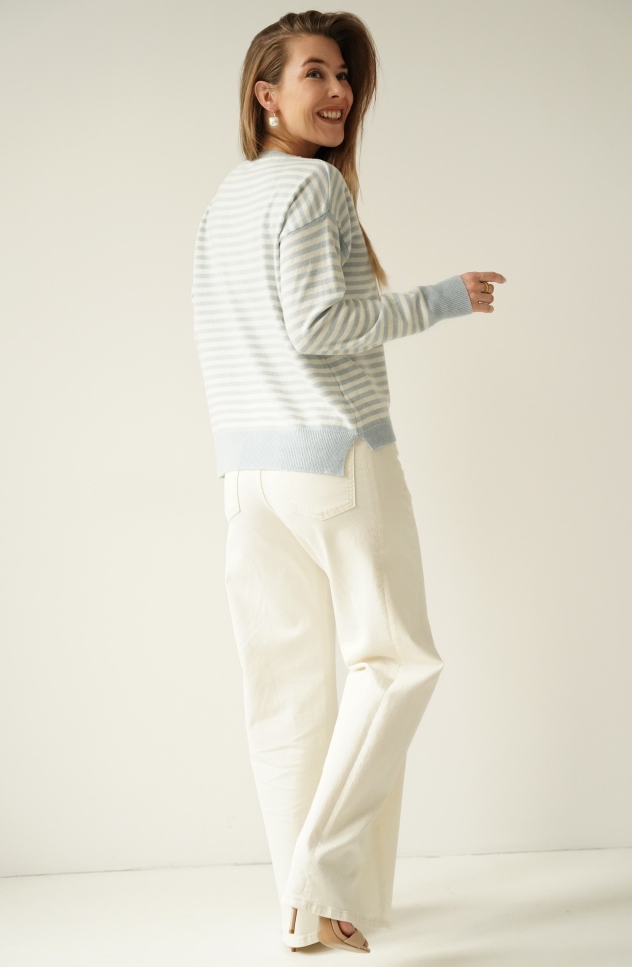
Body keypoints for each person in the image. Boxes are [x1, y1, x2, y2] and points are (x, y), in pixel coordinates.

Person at [192, 9, 506, 954]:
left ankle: (312, 909)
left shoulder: (225, 199)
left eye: (344, 77)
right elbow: (320, 324)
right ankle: (318, 882)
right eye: (315, 73)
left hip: (247, 477)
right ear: (265, 94)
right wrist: (442, 298)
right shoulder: (314, 187)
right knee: (397, 663)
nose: (337, 93)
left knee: (286, 692)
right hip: (336, 457)